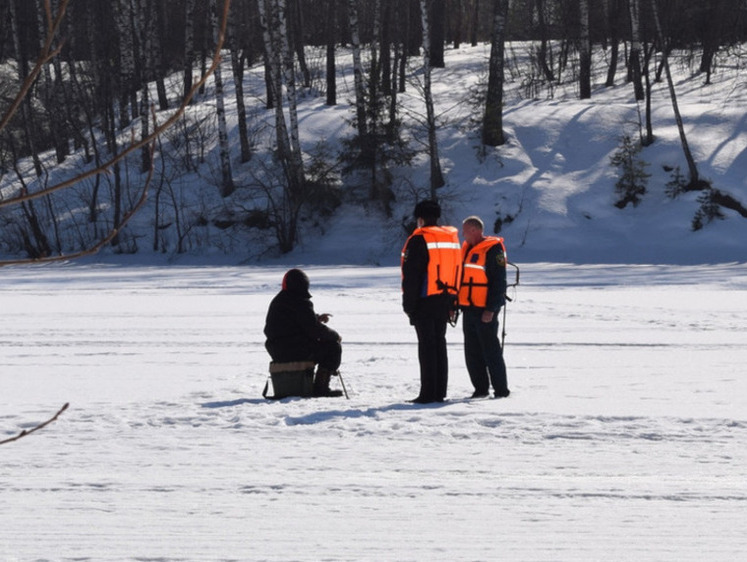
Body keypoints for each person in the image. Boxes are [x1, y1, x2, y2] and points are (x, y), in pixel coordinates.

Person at [400, 200, 461, 403]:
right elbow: (455, 270)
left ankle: (427, 393)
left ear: (420, 218)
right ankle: (439, 391)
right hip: (445, 298)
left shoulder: (419, 239)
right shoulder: (450, 238)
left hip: (425, 300)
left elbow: (412, 276)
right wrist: (453, 301)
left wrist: (408, 305)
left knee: (427, 347)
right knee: (439, 345)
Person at [264, 268, 343, 397]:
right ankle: (320, 388)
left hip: (276, 351)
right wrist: (335, 336)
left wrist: (315, 318)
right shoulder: (301, 302)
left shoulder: (279, 300)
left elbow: (294, 320)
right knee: (333, 347)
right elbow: (315, 331)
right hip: (295, 351)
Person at [458, 216, 510, 399]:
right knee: (472, 353)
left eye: (464, 230)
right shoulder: (466, 249)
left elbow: (499, 282)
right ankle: (480, 389)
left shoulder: (493, 249)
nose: (462, 234)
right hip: (468, 309)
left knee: (491, 352)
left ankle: (501, 390)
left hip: (485, 311)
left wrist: (492, 308)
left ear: (474, 230)